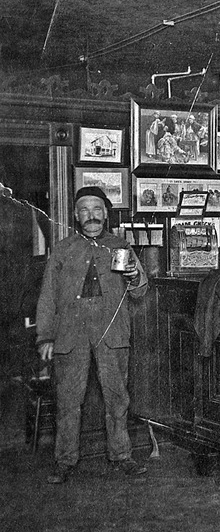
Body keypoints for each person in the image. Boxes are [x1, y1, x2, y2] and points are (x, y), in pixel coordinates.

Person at [36, 186, 149, 484]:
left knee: (117, 398)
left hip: (112, 333)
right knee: (68, 400)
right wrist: (45, 337)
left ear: (106, 213)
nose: (91, 216)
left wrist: (135, 277)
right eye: (84, 210)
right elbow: (47, 296)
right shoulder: (63, 249)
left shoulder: (121, 245)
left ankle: (122, 456)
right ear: (75, 215)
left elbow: (140, 292)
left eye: (97, 209)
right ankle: (65, 461)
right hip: (70, 335)